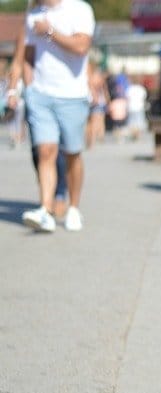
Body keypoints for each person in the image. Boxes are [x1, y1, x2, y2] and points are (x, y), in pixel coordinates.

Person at [18, 0, 94, 233]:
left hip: (72, 95)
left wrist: (50, 31)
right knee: (45, 151)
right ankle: (46, 210)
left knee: (72, 153)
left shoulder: (79, 9)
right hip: (40, 94)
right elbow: (28, 54)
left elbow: (82, 46)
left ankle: (73, 207)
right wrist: (29, 87)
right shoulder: (34, 14)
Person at [85, 60, 109, 148]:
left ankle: (89, 139)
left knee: (89, 122)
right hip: (96, 100)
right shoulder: (97, 76)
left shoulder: (85, 75)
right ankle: (93, 140)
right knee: (96, 121)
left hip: (86, 99)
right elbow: (101, 88)